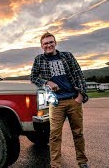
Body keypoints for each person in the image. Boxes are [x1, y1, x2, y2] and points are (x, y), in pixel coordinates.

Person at [30, 32, 89, 168]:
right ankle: (56, 165)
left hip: (74, 99)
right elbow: (33, 77)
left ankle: (82, 162)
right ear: (42, 46)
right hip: (55, 102)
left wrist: (80, 97)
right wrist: (47, 82)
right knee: (54, 135)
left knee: (78, 133)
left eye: (51, 42)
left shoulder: (67, 56)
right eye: (46, 43)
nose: (49, 45)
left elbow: (79, 75)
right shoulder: (39, 59)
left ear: (55, 43)